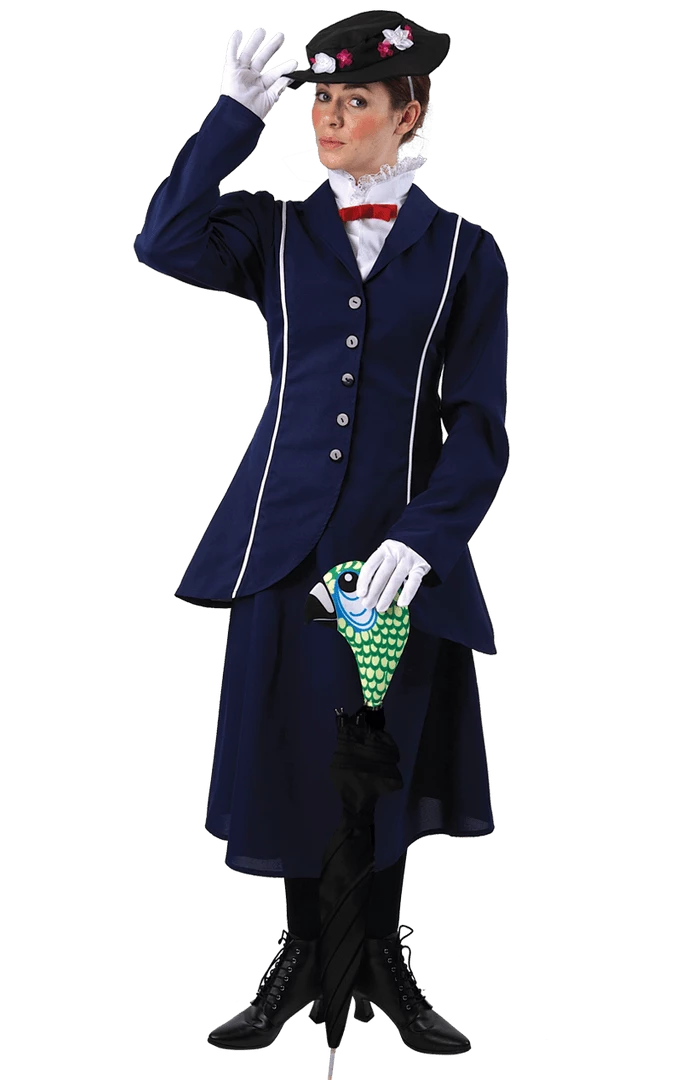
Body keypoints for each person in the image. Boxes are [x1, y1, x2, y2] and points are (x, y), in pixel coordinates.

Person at [137, 11, 508, 1059]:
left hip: (394, 560)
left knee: (380, 755)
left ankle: (381, 957)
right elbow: (162, 240)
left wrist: (425, 540)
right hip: (281, 544)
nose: (332, 118)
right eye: (321, 102)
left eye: (356, 101)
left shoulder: (466, 253)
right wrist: (231, 118)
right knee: (294, 755)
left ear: (409, 115)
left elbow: (479, 425)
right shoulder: (274, 230)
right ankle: (301, 957)